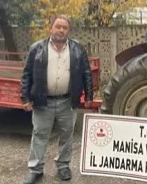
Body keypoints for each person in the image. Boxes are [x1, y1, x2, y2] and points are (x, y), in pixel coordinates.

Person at [20, 15, 94, 184]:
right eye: (58, 26)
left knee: (67, 134)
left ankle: (63, 165)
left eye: (65, 27)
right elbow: (26, 75)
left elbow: (86, 73)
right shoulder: (36, 48)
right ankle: (36, 169)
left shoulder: (77, 49)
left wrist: (89, 96)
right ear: (51, 28)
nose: (61, 30)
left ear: (68, 30)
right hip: (42, 101)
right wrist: (25, 97)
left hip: (67, 101)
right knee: (40, 134)